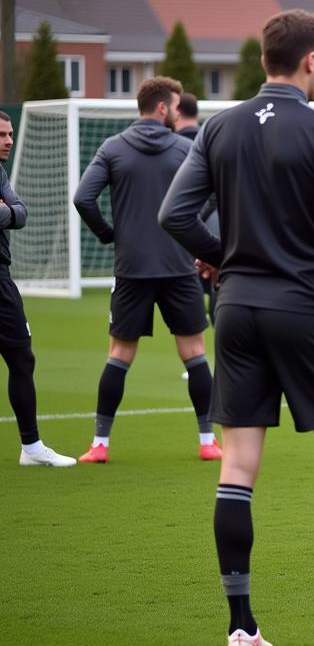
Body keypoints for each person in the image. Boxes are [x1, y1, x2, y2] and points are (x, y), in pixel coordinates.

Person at [159, 8, 314, 646]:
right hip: (306, 305)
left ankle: (241, 628)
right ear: (312, 61)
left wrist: (221, 254)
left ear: (265, 60)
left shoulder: (218, 127)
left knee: (237, 466)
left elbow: (173, 213)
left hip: (233, 309)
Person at [73, 76, 219, 464]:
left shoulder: (112, 148)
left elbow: (83, 198)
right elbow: (212, 195)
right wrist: (190, 232)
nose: (176, 112)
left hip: (132, 268)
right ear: (161, 108)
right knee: (195, 355)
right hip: (177, 267)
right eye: (174, 106)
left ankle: (100, 445)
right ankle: (208, 441)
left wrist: (110, 234)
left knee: (119, 355)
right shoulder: (183, 149)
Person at [0, 111, 76, 467]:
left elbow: (21, 212)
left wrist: (5, 212)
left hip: (2, 281)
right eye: (2, 134)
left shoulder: (0, 172)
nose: (9, 140)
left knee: (22, 358)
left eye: (11, 133)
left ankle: (31, 448)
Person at [174, 93, 219, 326]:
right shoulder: (213, 140)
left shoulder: (172, 146)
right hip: (215, 224)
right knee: (217, 284)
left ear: (177, 112)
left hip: (183, 230)